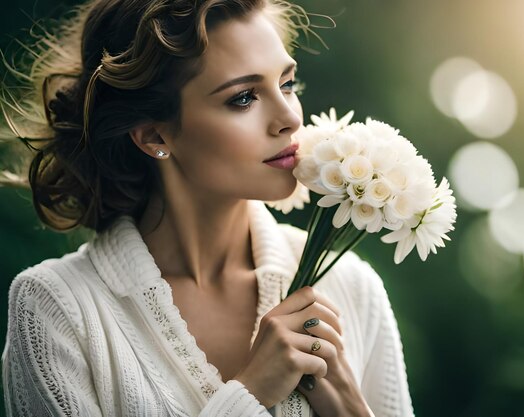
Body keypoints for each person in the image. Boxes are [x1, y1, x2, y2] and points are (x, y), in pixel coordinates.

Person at [1, 0, 415, 415]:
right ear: (153, 137)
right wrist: (251, 392)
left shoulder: (349, 286)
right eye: (243, 98)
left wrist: (347, 403)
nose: (289, 117)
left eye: (287, 84)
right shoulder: (56, 309)